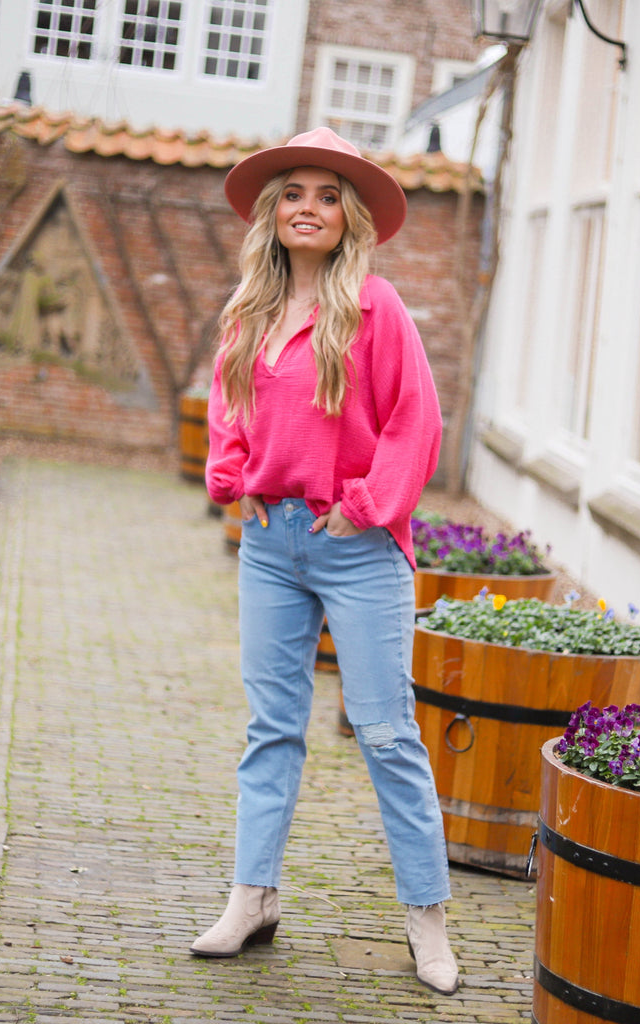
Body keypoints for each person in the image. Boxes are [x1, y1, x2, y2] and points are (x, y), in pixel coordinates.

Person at [192, 126, 458, 997]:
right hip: (270, 550)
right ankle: (252, 897)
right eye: (295, 193)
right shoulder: (249, 310)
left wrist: (363, 508)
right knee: (270, 729)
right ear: (273, 214)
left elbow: (415, 424)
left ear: (351, 220)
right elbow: (231, 410)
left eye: (328, 195)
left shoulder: (377, 309)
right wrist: (233, 481)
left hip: (359, 549)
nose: (309, 207)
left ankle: (428, 921)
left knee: (387, 734)